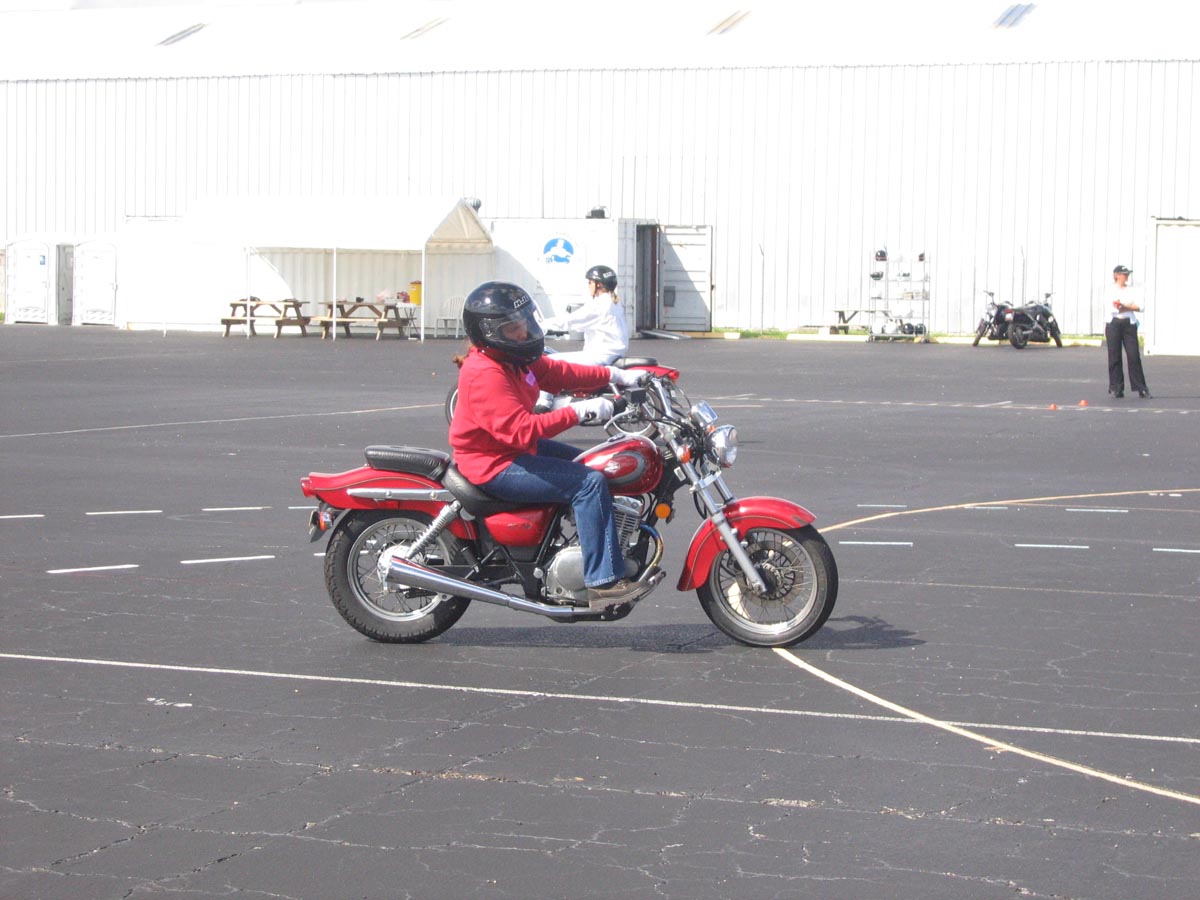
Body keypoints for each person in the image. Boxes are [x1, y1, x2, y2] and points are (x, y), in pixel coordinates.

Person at [449, 281, 645, 602]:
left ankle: (577, 546)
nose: (523, 331)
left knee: (592, 463)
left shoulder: (513, 359)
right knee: (588, 483)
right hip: (493, 464)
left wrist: (614, 376)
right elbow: (522, 430)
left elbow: (558, 373)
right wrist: (578, 412)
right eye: (513, 328)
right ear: (489, 332)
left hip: (511, 451)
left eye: (524, 322)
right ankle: (602, 580)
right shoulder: (486, 372)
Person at [536, 264, 630, 410]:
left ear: (599, 284)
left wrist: (540, 325)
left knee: (550, 362)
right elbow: (587, 324)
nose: (588, 286)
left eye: (590, 282)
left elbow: (570, 320)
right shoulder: (614, 302)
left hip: (600, 355)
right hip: (612, 352)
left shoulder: (600, 304)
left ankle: (543, 404)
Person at [1104, 264, 1151, 399]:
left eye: (1127, 274)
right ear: (1116, 275)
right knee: (1114, 356)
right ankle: (1116, 387)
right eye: (1124, 274)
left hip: (1128, 324)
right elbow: (1114, 308)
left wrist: (1125, 307)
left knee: (1134, 355)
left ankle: (1141, 388)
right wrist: (1127, 307)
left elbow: (1140, 307)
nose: (1126, 276)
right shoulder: (1110, 290)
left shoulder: (1132, 290)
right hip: (1114, 324)